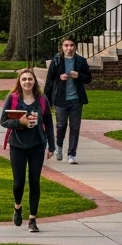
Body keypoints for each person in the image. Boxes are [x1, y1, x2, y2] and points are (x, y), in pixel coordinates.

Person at [0, 69, 56, 233]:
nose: (27, 82)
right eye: (24, 79)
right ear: (19, 81)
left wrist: (51, 146)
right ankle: (17, 207)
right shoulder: (13, 98)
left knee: (34, 182)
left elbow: (49, 124)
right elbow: (3, 121)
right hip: (17, 145)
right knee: (19, 182)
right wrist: (20, 123)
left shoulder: (42, 99)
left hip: (37, 144)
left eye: (30, 79)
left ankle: (32, 218)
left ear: (34, 81)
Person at [44, 36, 92, 164]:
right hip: (61, 98)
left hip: (76, 99)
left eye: (71, 45)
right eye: (66, 45)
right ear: (62, 47)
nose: (69, 48)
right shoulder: (57, 60)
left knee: (75, 127)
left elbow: (88, 78)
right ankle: (59, 146)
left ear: (75, 47)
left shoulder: (81, 61)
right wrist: (45, 100)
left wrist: (79, 76)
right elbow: (50, 80)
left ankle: (71, 154)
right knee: (61, 125)